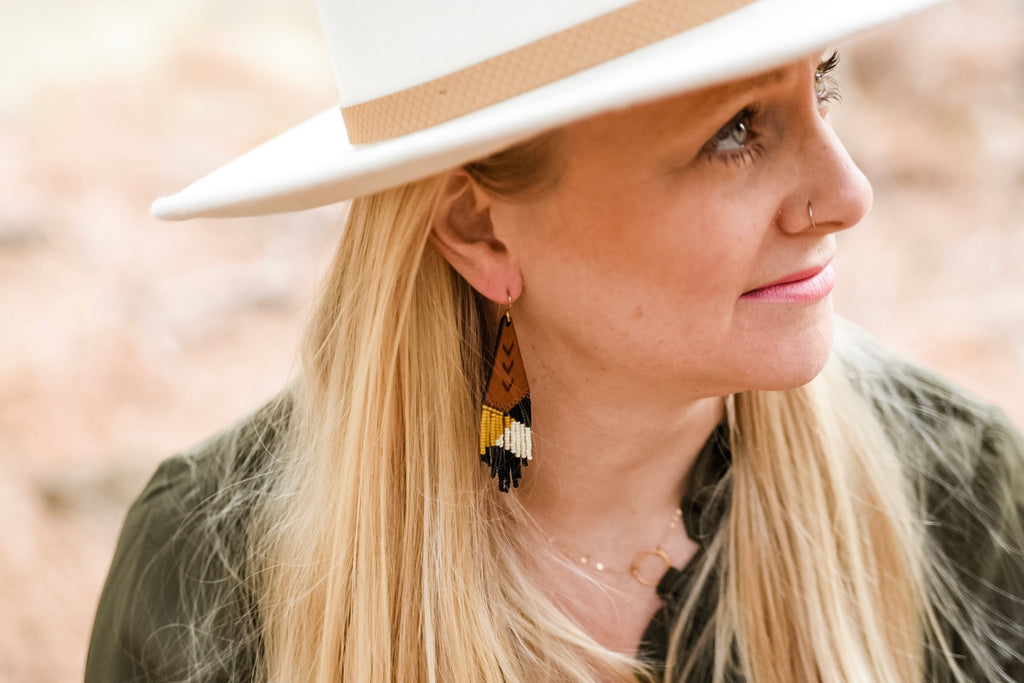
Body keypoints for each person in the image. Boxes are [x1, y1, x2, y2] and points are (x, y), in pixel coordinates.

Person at [85, 0, 1024, 681]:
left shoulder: (957, 500)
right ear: (481, 228)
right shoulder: (209, 582)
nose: (848, 194)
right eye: (737, 131)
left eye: (822, 82)